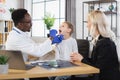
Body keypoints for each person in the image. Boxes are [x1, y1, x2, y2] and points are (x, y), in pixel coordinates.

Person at [5, 8, 62, 80]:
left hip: (24, 66)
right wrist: (51, 39)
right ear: (20, 24)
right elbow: (38, 52)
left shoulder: (21, 34)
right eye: (29, 22)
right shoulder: (15, 38)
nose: (31, 24)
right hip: (18, 71)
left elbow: (34, 46)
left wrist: (51, 42)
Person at [70, 10, 120, 80]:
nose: (87, 25)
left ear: (95, 24)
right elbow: (95, 62)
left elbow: (97, 68)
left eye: (88, 22)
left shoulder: (105, 43)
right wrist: (80, 59)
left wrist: (82, 59)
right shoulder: (100, 40)